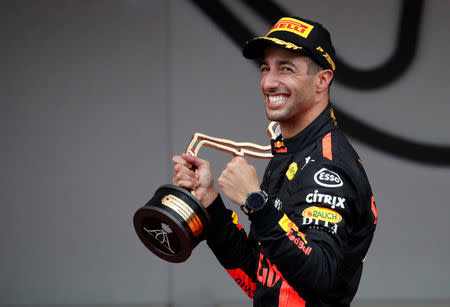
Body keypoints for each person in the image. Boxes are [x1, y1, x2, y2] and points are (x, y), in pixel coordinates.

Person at [172, 16, 377, 306]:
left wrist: (256, 202)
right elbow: (263, 276)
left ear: (322, 80)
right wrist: (211, 204)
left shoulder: (327, 166)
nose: (268, 81)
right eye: (266, 68)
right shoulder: (291, 152)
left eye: (286, 68)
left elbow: (319, 276)